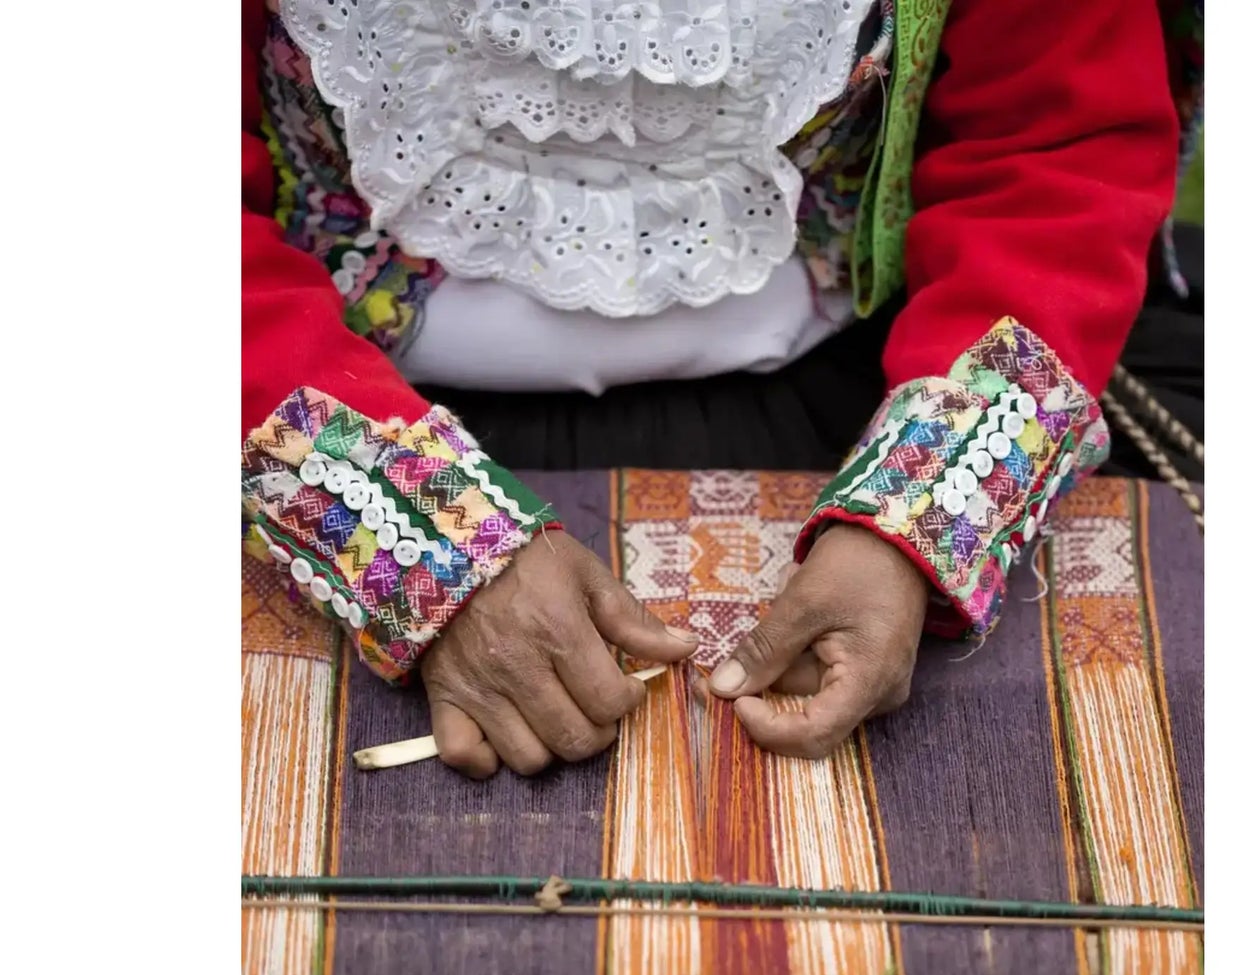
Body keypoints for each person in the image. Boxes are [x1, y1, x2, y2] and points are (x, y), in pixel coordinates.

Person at [242, 0, 1191, 776]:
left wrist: (922, 519)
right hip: (314, 399)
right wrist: (415, 540)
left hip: (870, 396)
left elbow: (1055, 150)